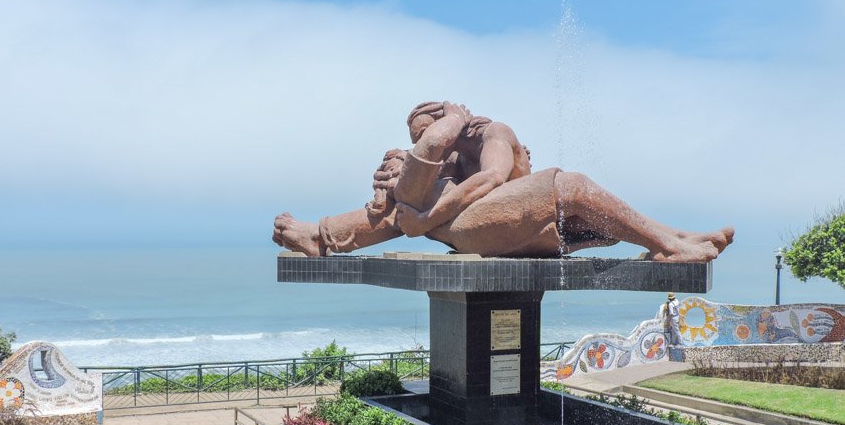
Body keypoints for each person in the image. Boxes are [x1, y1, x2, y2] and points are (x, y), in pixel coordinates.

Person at [273, 101, 734, 261]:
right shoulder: (442, 167)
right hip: (487, 229)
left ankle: (674, 237)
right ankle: (670, 242)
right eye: (417, 137)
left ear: (452, 122)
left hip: (506, 227)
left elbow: (494, 179)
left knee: (572, 191)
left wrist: (428, 215)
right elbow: (396, 214)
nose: (427, 142)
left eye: (427, 132)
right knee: (570, 186)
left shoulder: (495, 134)